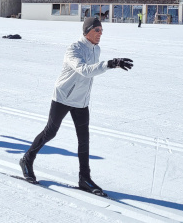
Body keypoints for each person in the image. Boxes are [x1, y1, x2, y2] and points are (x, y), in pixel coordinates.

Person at [19, 17, 133, 196]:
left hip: (81, 101)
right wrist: (110, 64)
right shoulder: (74, 49)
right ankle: (27, 159)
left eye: (101, 31)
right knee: (51, 131)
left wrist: (109, 65)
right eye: (97, 30)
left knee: (84, 140)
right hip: (63, 96)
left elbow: (91, 72)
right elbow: (85, 70)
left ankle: (84, 178)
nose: (100, 34)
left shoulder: (97, 49)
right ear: (87, 31)